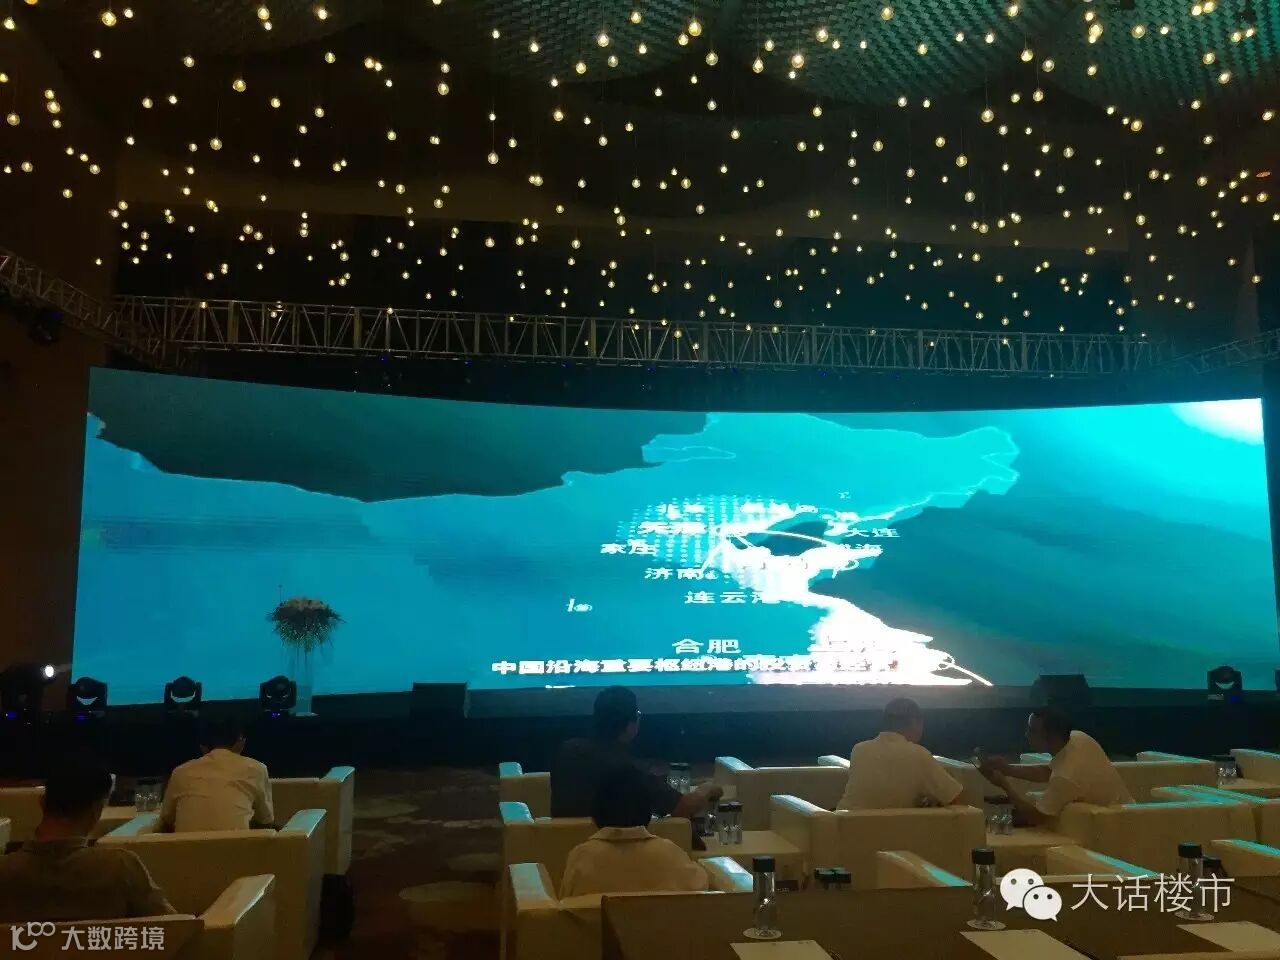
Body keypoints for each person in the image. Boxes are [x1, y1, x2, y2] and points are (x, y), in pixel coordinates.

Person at [0, 753, 175, 921]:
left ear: (42, 802)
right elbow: (174, 926)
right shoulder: (121, 868)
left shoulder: (6, 872)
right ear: (96, 810)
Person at [550, 686, 721, 820]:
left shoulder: (567, 752)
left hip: (561, 848)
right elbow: (682, 808)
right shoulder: (628, 771)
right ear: (630, 726)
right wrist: (706, 789)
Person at [560, 763, 710, 897]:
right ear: (648, 812)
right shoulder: (670, 854)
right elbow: (702, 892)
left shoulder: (581, 858)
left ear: (595, 815)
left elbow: (566, 906)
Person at [977, 707, 1132, 825]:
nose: (1026, 735)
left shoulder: (1066, 778)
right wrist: (1007, 769)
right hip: (1121, 816)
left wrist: (1004, 785)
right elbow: (1049, 772)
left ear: (1053, 736)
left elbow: (1035, 816)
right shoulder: (1079, 738)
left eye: (1032, 731)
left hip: (1115, 827)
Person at [836, 697, 964, 810]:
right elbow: (955, 799)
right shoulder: (919, 754)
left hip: (844, 824)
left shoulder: (859, 749)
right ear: (915, 723)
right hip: (895, 828)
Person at [160, 716, 275, 832]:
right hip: (237, 843)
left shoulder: (180, 772)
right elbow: (266, 821)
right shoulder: (256, 769)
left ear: (203, 747)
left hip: (185, 843)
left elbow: (166, 820)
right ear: (241, 743)